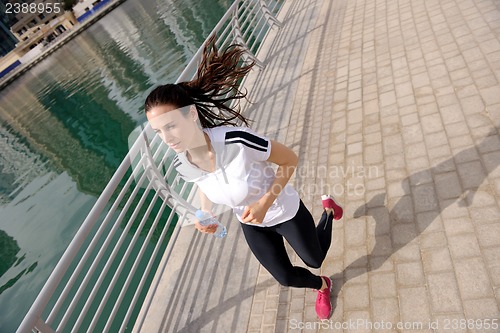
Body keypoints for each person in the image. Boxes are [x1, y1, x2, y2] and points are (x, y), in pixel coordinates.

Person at [144, 35, 343, 320]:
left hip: (281, 209)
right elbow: (203, 185)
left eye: (171, 126)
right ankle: (323, 285)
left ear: (192, 116)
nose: (167, 138)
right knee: (285, 278)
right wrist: (205, 213)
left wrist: (264, 202)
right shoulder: (181, 164)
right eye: (158, 132)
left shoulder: (237, 139)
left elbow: (290, 160)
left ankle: (327, 211)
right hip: (251, 223)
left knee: (315, 258)